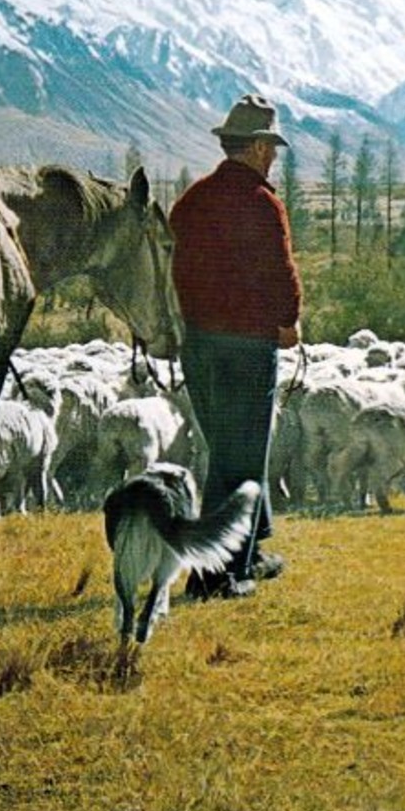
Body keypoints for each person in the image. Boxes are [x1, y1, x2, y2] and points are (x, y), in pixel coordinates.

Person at [168, 93, 301, 600]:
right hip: (247, 345)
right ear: (256, 148)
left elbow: (173, 266)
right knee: (240, 458)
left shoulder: (192, 200)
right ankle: (216, 575)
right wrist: (288, 321)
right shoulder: (263, 205)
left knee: (228, 447)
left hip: (199, 343)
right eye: (269, 147)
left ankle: (252, 550)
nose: (273, 157)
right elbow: (280, 272)